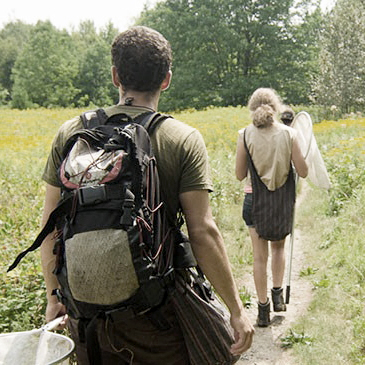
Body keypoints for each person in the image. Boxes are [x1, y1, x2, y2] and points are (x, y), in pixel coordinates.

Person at [40, 26, 254, 364]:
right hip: (156, 318)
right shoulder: (181, 138)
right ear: (166, 79)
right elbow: (203, 232)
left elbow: (51, 225)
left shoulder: (72, 133)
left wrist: (54, 296)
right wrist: (236, 310)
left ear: (115, 76)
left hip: (88, 320)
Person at [235, 88, 308, 327]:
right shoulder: (289, 134)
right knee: (278, 249)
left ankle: (263, 310)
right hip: (280, 202)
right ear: (276, 107)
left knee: (259, 257)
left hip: (253, 201)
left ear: (252, 108)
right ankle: (278, 296)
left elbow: (239, 175)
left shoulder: (244, 134)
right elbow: (304, 171)